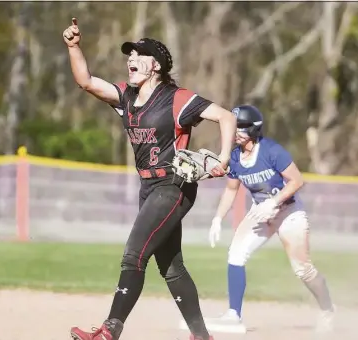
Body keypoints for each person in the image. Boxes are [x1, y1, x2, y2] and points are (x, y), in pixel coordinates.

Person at [63, 18, 237, 340]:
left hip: (174, 187)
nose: (130, 59)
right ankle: (201, 335)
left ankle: (110, 331)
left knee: (134, 255)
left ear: (155, 65)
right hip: (149, 188)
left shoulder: (177, 98)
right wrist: (74, 47)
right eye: (129, 55)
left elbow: (226, 117)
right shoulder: (128, 98)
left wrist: (224, 158)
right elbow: (86, 81)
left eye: (138, 55)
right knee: (171, 267)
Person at [201, 105, 335, 334]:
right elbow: (231, 190)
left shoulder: (271, 150)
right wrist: (217, 218)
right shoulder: (235, 157)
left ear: (252, 130)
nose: (233, 132)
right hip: (260, 213)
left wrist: (273, 203)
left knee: (303, 270)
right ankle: (234, 314)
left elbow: (297, 181)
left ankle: (327, 309)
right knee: (235, 254)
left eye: (239, 127)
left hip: (288, 212)